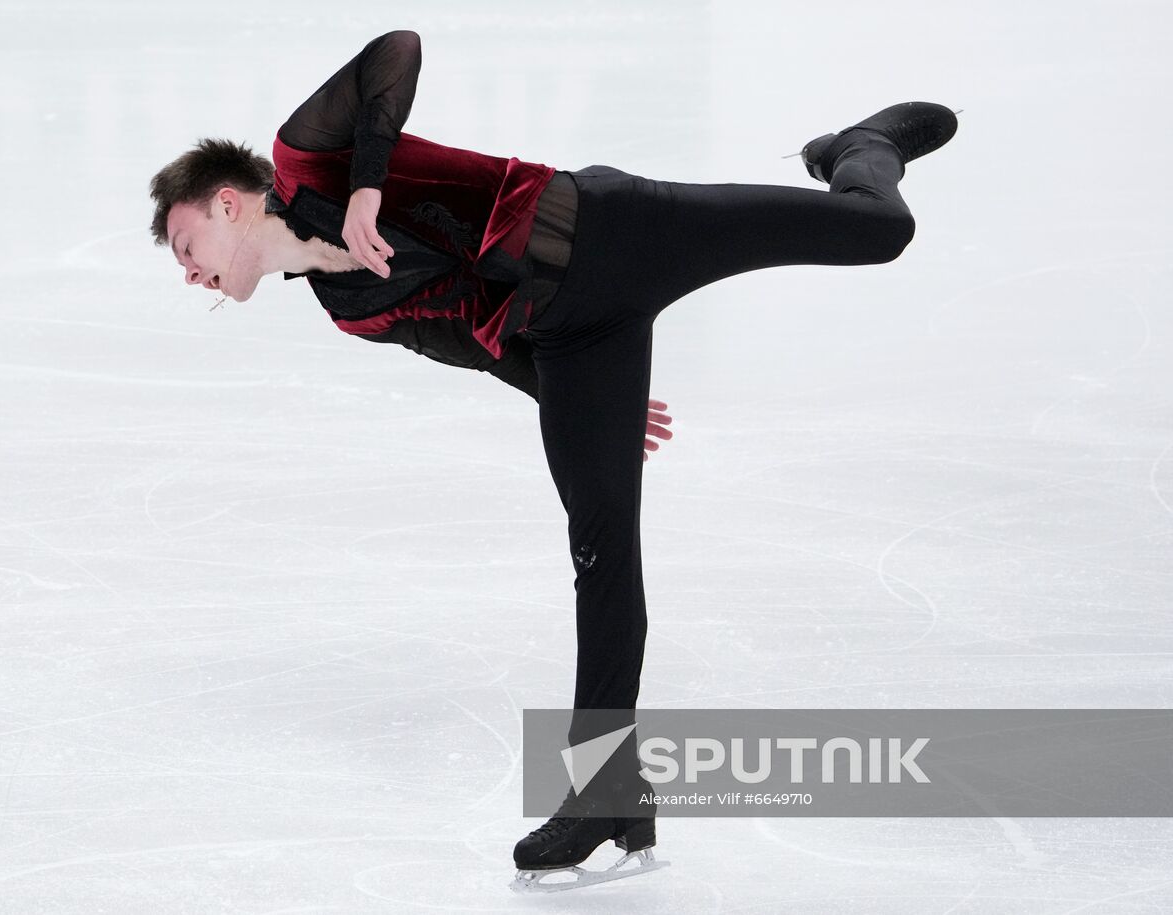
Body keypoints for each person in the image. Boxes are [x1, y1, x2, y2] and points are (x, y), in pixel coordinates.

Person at [148, 29, 957, 891]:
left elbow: (396, 51)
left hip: (619, 229)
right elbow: (476, 341)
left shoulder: (307, 160)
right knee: (601, 548)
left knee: (879, 228)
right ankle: (609, 787)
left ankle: (860, 148)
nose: (192, 274)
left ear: (228, 203)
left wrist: (369, 185)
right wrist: (577, 402)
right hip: (574, 342)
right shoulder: (347, 306)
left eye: (187, 247)